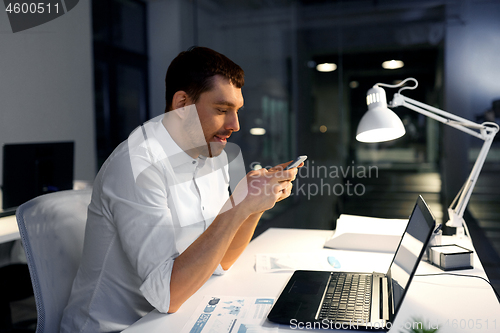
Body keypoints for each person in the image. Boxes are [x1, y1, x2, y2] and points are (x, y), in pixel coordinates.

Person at [60, 47, 300, 333]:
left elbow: (220, 262)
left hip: (173, 317)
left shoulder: (213, 155)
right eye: (222, 110)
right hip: (117, 328)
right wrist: (238, 207)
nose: (235, 125)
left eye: (236, 111)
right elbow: (167, 295)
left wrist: (252, 205)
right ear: (182, 103)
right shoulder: (137, 165)